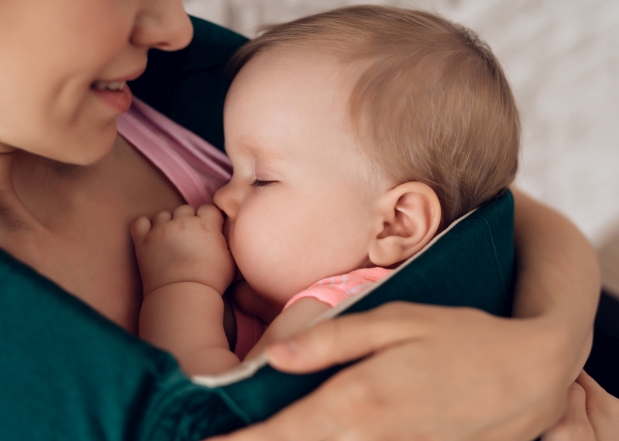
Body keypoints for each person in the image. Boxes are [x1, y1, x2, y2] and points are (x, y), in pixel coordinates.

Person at [0, 0, 601, 440]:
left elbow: (484, 196)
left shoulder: (154, 87)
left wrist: (548, 347)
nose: (174, 26)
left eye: (259, 180)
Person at [132, 7, 521, 375]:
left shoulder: (337, 313)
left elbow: (210, 410)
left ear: (395, 224)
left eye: (261, 179)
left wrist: (181, 285)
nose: (221, 197)